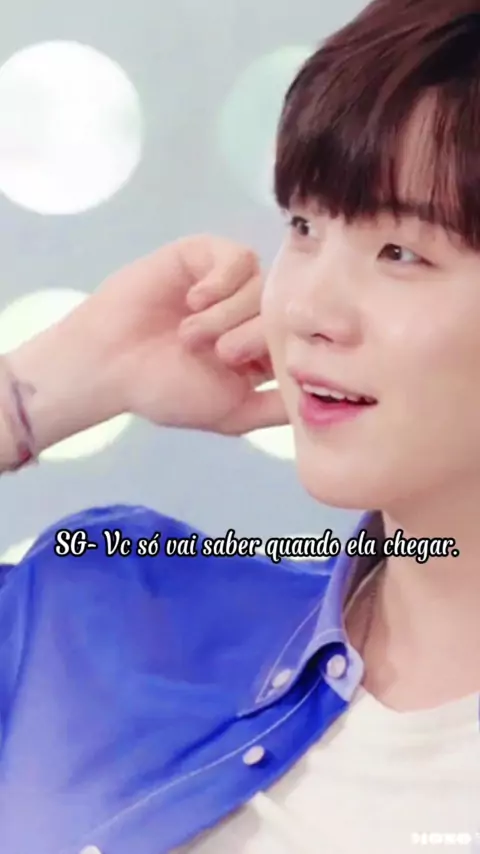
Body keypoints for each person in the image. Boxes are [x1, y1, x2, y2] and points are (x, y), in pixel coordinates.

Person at [2, 0, 480, 851]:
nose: (307, 310)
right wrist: (49, 388)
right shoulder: (113, 624)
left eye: (402, 252)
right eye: (304, 224)